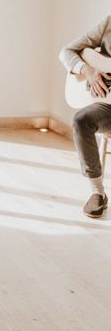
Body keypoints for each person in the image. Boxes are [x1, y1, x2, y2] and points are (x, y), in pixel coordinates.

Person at [59, 15, 111, 218]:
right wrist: (87, 70)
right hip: (106, 108)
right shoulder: (108, 24)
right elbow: (67, 52)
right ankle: (97, 192)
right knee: (81, 120)